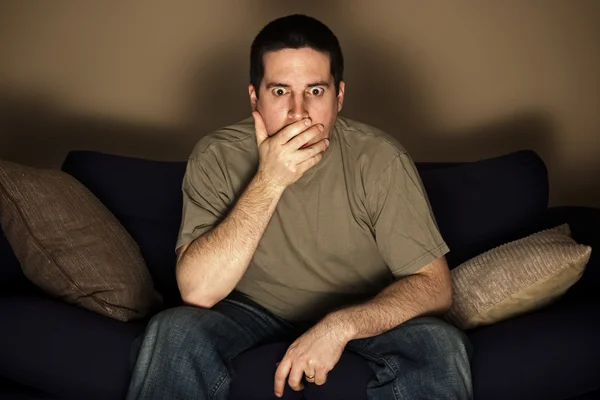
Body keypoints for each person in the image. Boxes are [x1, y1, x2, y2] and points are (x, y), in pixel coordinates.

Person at [126, 14, 472, 400]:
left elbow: (435, 287)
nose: (298, 112)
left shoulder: (379, 160)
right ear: (254, 96)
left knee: (440, 345)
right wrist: (270, 179)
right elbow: (198, 292)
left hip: (362, 307)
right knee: (172, 330)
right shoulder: (216, 156)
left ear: (339, 97)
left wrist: (340, 326)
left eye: (315, 91)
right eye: (279, 92)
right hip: (250, 310)